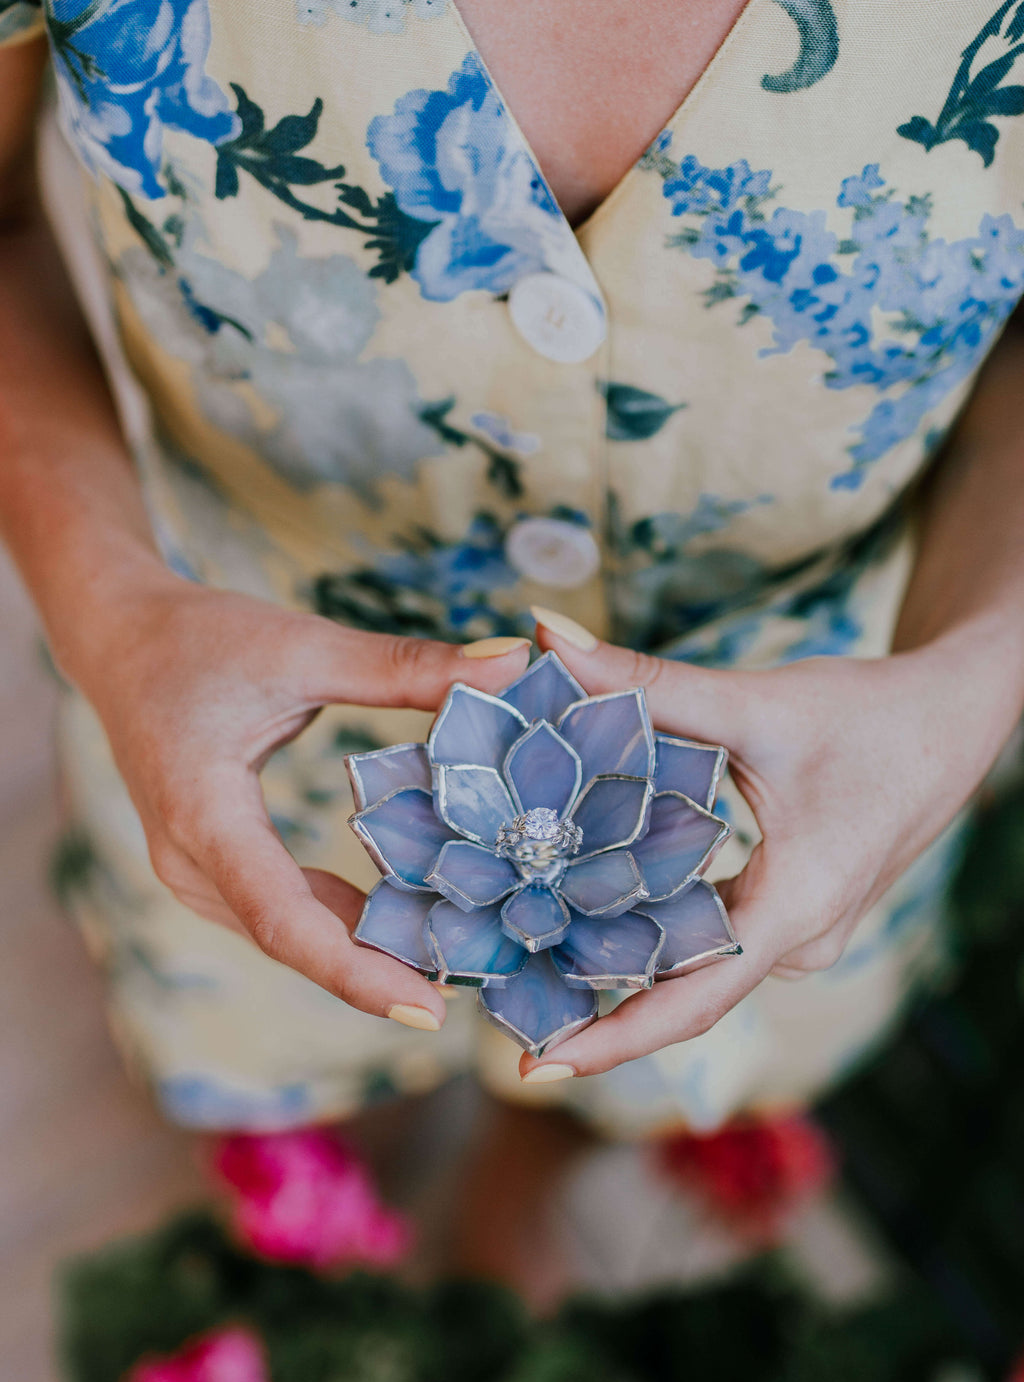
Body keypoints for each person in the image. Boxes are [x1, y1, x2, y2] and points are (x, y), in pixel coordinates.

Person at [2, 0, 1024, 1287]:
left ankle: (537, 1160)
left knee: (618, 1080)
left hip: (821, 763)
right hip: (247, 723)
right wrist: (113, 613)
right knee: (300, 1055)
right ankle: (327, 1181)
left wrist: (975, 668)